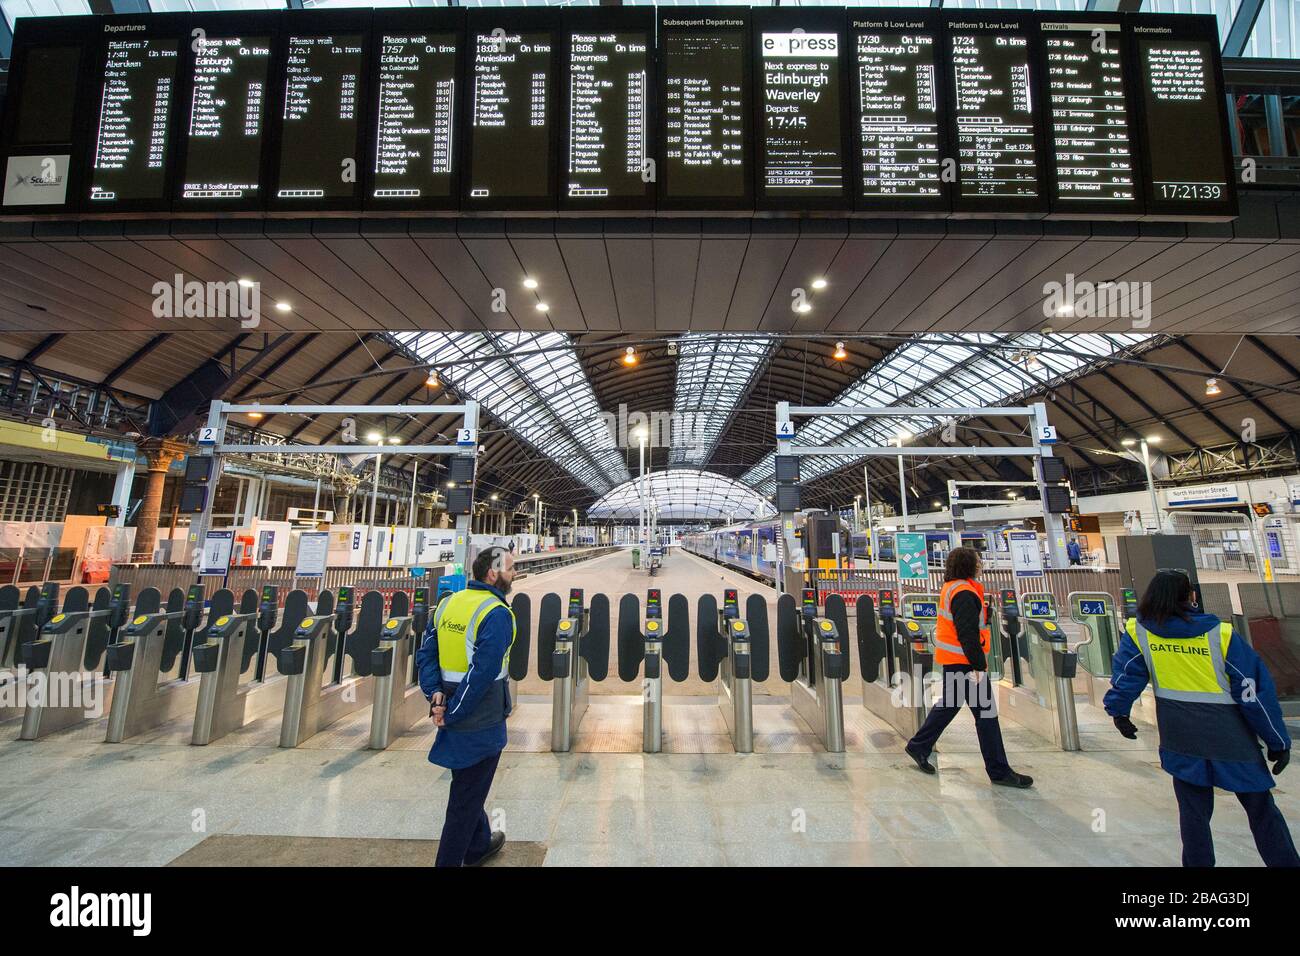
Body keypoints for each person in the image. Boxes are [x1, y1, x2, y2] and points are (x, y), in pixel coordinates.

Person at [1104, 569, 1298, 867]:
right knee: (1261, 810)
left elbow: (1127, 674)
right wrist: (1277, 740)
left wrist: (1119, 711)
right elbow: (1253, 692)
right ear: (1190, 597)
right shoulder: (1220, 634)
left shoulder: (1140, 632)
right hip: (1230, 738)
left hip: (1180, 737)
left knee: (1193, 815)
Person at [417, 545, 517, 867]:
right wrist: (453, 714)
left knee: (467, 785)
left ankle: (479, 845)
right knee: (464, 800)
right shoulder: (497, 613)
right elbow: (482, 673)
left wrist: (435, 698)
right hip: (480, 721)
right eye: (510, 568)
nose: (513, 574)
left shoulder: (448, 605)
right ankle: (452, 859)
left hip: (451, 712)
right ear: (493, 573)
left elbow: (426, 655)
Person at [904, 547, 1033, 788]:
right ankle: (999, 771)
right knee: (986, 716)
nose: (980, 564)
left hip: (956, 661)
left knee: (950, 706)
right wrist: (978, 665)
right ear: (969, 565)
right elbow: (967, 634)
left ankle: (919, 745)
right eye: (977, 561)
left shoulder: (953, 587)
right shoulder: (963, 592)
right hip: (965, 663)